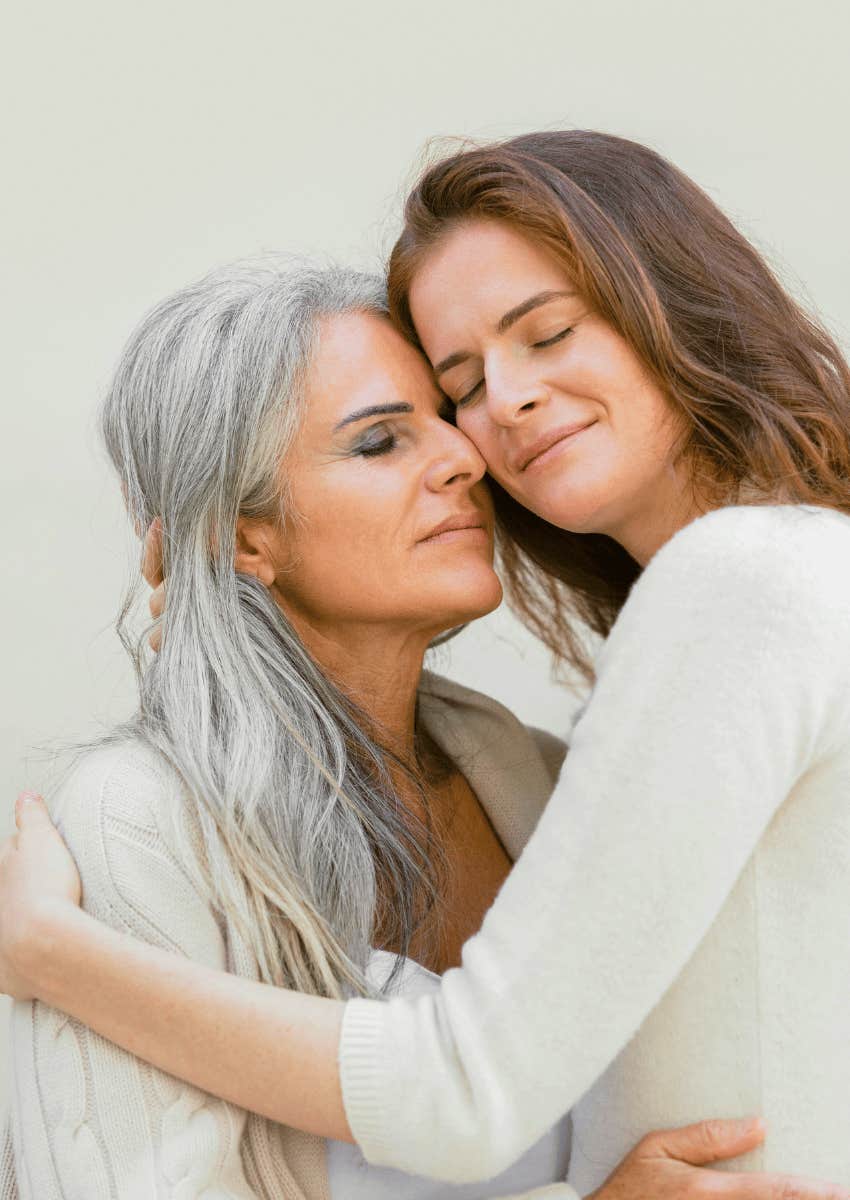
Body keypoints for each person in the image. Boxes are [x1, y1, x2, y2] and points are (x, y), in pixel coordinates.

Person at [4, 130, 850, 1192]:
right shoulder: (139, 823)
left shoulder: (537, 773)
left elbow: (461, 1089)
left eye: (545, 334)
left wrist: (50, 954)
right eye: (386, 436)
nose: (471, 442)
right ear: (242, 538)